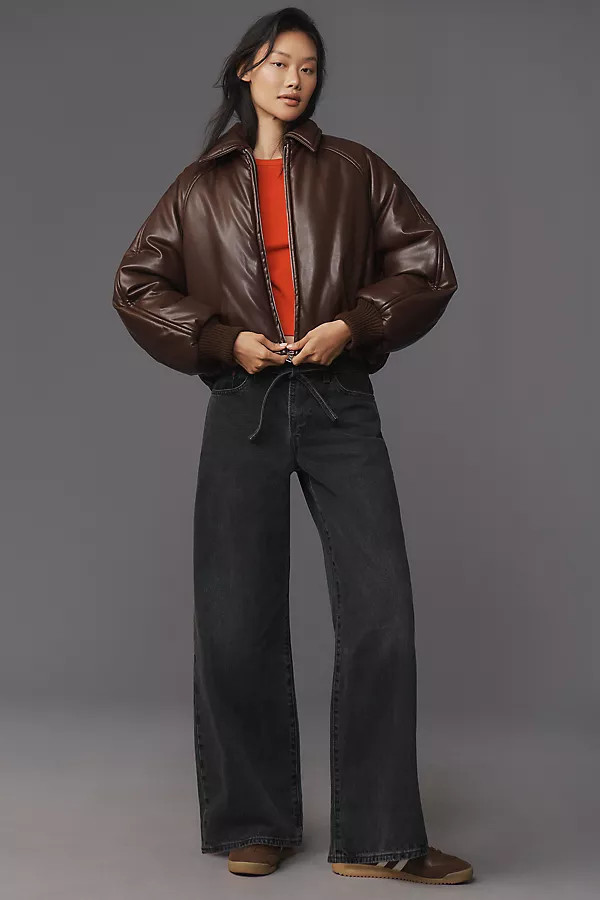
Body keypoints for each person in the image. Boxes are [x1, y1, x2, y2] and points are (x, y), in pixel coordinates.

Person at [112, 6, 473, 886]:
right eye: (279, 63)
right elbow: (137, 284)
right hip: (245, 401)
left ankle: (380, 840)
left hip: (337, 399)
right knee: (235, 618)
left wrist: (353, 323)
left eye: (308, 68)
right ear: (246, 70)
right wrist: (219, 339)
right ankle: (253, 820)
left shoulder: (354, 170)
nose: (294, 81)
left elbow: (426, 265)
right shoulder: (198, 187)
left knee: (382, 611)